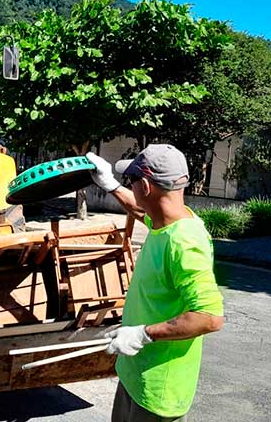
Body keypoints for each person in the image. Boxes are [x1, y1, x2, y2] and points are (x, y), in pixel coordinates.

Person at [86, 146, 224, 422]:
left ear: (146, 186)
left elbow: (209, 317)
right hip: (136, 375)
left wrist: (143, 334)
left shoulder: (184, 243)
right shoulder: (166, 222)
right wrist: (111, 185)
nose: (131, 186)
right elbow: (140, 211)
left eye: (131, 181)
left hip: (159, 390)